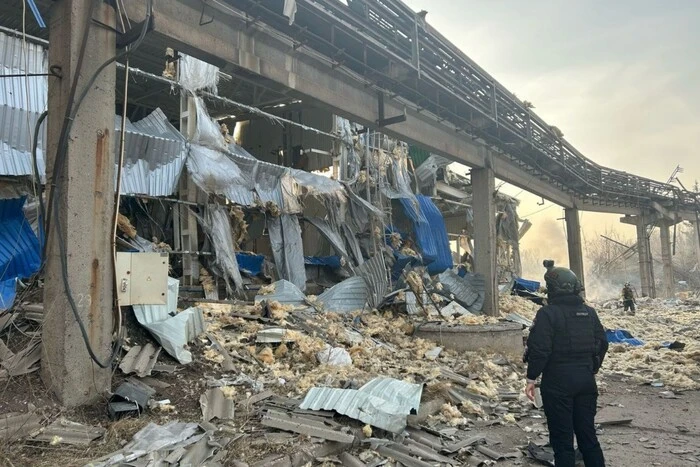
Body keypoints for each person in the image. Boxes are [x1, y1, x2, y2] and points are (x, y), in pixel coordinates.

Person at [524, 260, 608, 467]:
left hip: (558, 383)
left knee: (563, 442)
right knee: (588, 437)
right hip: (586, 381)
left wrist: (531, 378)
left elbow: (539, 349)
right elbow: (602, 343)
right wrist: (592, 368)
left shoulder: (547, 314)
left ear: (552, 289)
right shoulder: (589, 312)